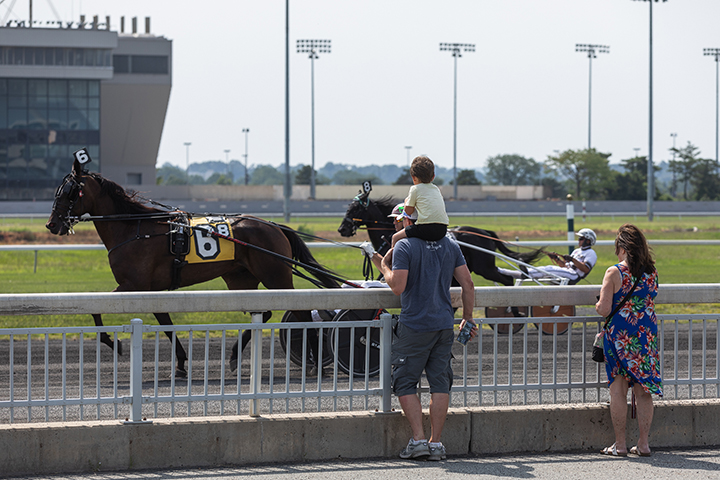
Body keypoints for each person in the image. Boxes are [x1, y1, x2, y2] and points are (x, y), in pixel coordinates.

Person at [372, 207, 477, 461]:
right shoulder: (450, 244)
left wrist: (383, 265)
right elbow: (468, 284)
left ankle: (418, 440)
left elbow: (397, 287)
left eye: (398, 221)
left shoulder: (405, 247)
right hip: (444, 324)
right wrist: (468, 318)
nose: (396, 226)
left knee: (405, 382)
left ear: (409, 220)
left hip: (415, 325)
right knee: (440, 383)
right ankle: (436, 443)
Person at [595, 224, 661, 457]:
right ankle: (643, 444)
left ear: (621, 247)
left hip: (620, 339)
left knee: (618, 391)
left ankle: (620, 444)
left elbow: (603, 310)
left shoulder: (614, 273)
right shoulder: (651, 272)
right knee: (644, 392)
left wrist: (598, 303)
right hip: (645, 338)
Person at [497, 228, 598, 283]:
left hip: (573, 276)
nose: (579, 240)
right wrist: (556, 259)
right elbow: (564, 266)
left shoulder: (591, 254)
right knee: (544, 269)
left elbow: (585, 269)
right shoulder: (576, 251)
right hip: (567, 272)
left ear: (588, 241)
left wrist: (572, 259)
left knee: (548, 269)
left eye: (581, 238)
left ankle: (525, 274)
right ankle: (505, 272)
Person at [391, 156, 449, 247]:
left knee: (395, 237)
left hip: (426, 228)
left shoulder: (415, 189)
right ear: (433, 177)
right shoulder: (436, 189)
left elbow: (408, 211)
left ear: (413, 178)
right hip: (442, 229)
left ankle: (393, 260)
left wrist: (407, 201)